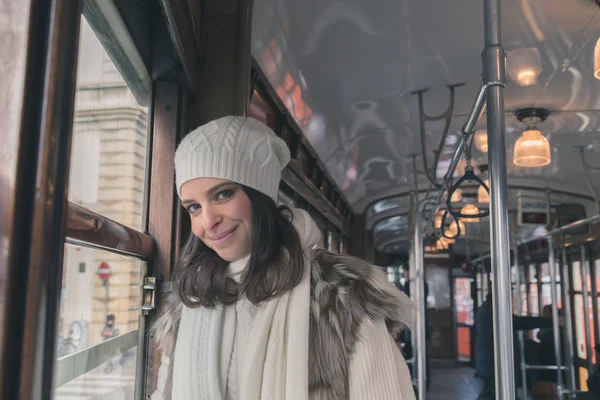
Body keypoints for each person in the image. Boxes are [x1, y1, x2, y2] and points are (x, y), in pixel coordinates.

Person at [150, 116, 416, 400]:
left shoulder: (341, 295)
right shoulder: (191, 299)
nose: (208, 220)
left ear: (260, 196)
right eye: (193, 207)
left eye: (223, 194)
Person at [475, 293, 553, 399]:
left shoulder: (487, 308)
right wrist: (551, 321)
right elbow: (518, 323)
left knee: (494, 392)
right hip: (494, 361)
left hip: (489, 361)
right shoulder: (493, 310)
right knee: (494, 393)